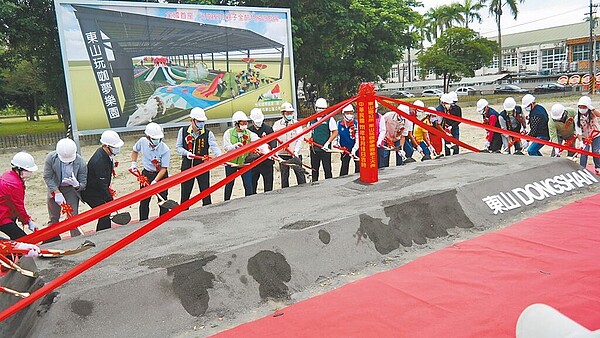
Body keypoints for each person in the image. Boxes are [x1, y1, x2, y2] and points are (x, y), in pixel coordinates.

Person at [175, 107, 222, 206]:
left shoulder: (208, 133)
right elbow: (178, 147)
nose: (202, 124)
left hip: (203, 167)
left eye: (203, 121)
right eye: (199, 121)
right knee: (185, 195)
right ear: (192, 120)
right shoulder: (183, 131)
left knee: (205, 193)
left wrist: (220, 158)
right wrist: (186, 153)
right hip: (187, 166)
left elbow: (215, 147)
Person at [43, 138, 87, 238]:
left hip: (70, 190)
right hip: (55, 187)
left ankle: (76, 239)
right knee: (54, 217)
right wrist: (56, 192)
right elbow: (47, 176)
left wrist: (77, 185)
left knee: (73, 217)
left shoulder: (81, 162)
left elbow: (83, 183)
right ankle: (52, 239)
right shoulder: (51, 158)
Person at [81, 130, 124, 232]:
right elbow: (102, 184)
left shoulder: (106, 155)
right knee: (104, 213)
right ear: (105, 146)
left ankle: (105, 232)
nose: (117, 149)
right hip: (91, 192)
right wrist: (109, 199)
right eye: (114, 147)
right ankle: (102, 235)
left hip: (98, 189)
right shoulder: (99, 160)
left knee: (105, 213)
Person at [223, 111, 267, 200]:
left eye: (246, 123)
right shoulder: (228, 133)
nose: (244, 125)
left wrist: (266, 150)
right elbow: (226, 147)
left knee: (248, 184)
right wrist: (234, 146)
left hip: (244, 163)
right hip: (231, 163)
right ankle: (226, 201)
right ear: (236, 123)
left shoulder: (249, 133)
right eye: (242, 123)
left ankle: (249, 202)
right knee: (229, 184)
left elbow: (259, 143)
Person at [130, 122, 170, 221]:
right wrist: (133, 163)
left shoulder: (165, 149)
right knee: (144, 200)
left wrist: (155, 181)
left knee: (162, 199)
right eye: (154, 139)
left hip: (161, 175)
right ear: (147, 137)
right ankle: (143, 221)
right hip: (146, 174)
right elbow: (135, 150)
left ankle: (163, 220)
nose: (157, 141)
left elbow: (164, 168)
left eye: (158, 139)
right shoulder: (142, 141)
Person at [0, 152, 38, 239]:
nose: (30, 173)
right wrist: (28, 221)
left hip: (6, 213)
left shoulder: (8, 175)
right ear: (19, 169)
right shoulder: (15, 184)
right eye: (28, 170)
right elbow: (19, 206)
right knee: (22, 239)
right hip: (2, 216)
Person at [272, 102, 306, 188]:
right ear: (283, 113)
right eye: (287, 113)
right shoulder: (277, 125)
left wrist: (295, 151)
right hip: (282, 154)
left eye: (291, 113)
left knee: (300, 175)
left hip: (294, 154)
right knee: (284, 177)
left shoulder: (296, 124)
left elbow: (300, 138)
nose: (289, 114)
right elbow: (273, 138)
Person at [308, 98, 338, 181]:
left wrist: (327, 143)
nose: (320, 110)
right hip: (314, 149)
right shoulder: (311, 119)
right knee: (314, 170)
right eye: (318, 108)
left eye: (322, 109)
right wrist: (310, 139)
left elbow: (335, 132)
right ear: (315, 108)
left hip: (325, 149)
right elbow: (309, 132)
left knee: (327, 169)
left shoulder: (329, 119)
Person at [248, 107, 277, 193]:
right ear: (252, 120)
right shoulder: (249, 131)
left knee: (268, 184)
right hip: (254, 162)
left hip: (267, 161)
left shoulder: (268, 129)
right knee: (252, 184)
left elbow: (273, 141)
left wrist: (272, 151)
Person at [575, 95, 600, 174]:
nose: (582, 109)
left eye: (584, 107)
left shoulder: (593, 114)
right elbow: (578, 130)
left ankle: (598, 167)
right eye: (580, 107)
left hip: (595, 135)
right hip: (584, 137)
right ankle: (582, 168)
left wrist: (591, 108)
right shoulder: (577, 118)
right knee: (584, 152)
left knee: (596, 151)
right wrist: (581, 142)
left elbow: (599, 115)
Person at [337, 104, 359, 175]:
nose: (349, 115)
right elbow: (337, 137)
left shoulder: (356, 124)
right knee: (344, 167)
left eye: (351, 113)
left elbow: (358, 138)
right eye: (347, 113)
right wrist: (339, 147)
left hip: (356, 149)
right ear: (343, 114)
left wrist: (354, 150)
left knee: (358, 168)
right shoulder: (339, 124)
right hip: (344, 150)